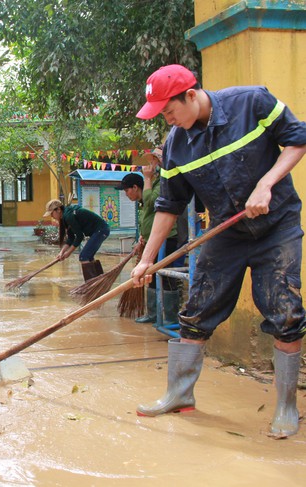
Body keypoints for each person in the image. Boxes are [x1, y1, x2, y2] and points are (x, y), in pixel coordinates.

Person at [131, 64, 306, 437]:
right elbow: (168, 204)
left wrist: (267, 183)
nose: (168, 118)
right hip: (226, 232)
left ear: (191, 95)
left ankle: (287, 408)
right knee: (196, 312)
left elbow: (297, 138)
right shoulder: (177, 143)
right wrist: (147, 260)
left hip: (277, 228)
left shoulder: (251, 103)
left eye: (169, 109)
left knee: (285, 314)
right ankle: (179, 394)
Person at [116, 160, 184, 324]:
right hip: (152, 242)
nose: (126, 195)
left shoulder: (158, 185)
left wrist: (146, 178)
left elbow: (151, 202)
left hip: (168, 238)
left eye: (127, 191)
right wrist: (143, 237)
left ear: (135, 187)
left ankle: (171, 318)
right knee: (150, 276)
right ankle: (153, 314)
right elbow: (149, 217)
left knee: (167, 278)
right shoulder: (144, 198)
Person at [42, 199, 110, 281]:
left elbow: (79, 236)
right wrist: (62, 252)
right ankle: (100, 280)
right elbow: (71, 238)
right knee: (88, 257)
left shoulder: (68, 216)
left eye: (52, 213)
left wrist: (68, 253)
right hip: (100, 230)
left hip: (101, 230)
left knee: (83, 257)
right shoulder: (65, 216)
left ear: (58, 210)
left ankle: (91, 284)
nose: (52, 216)